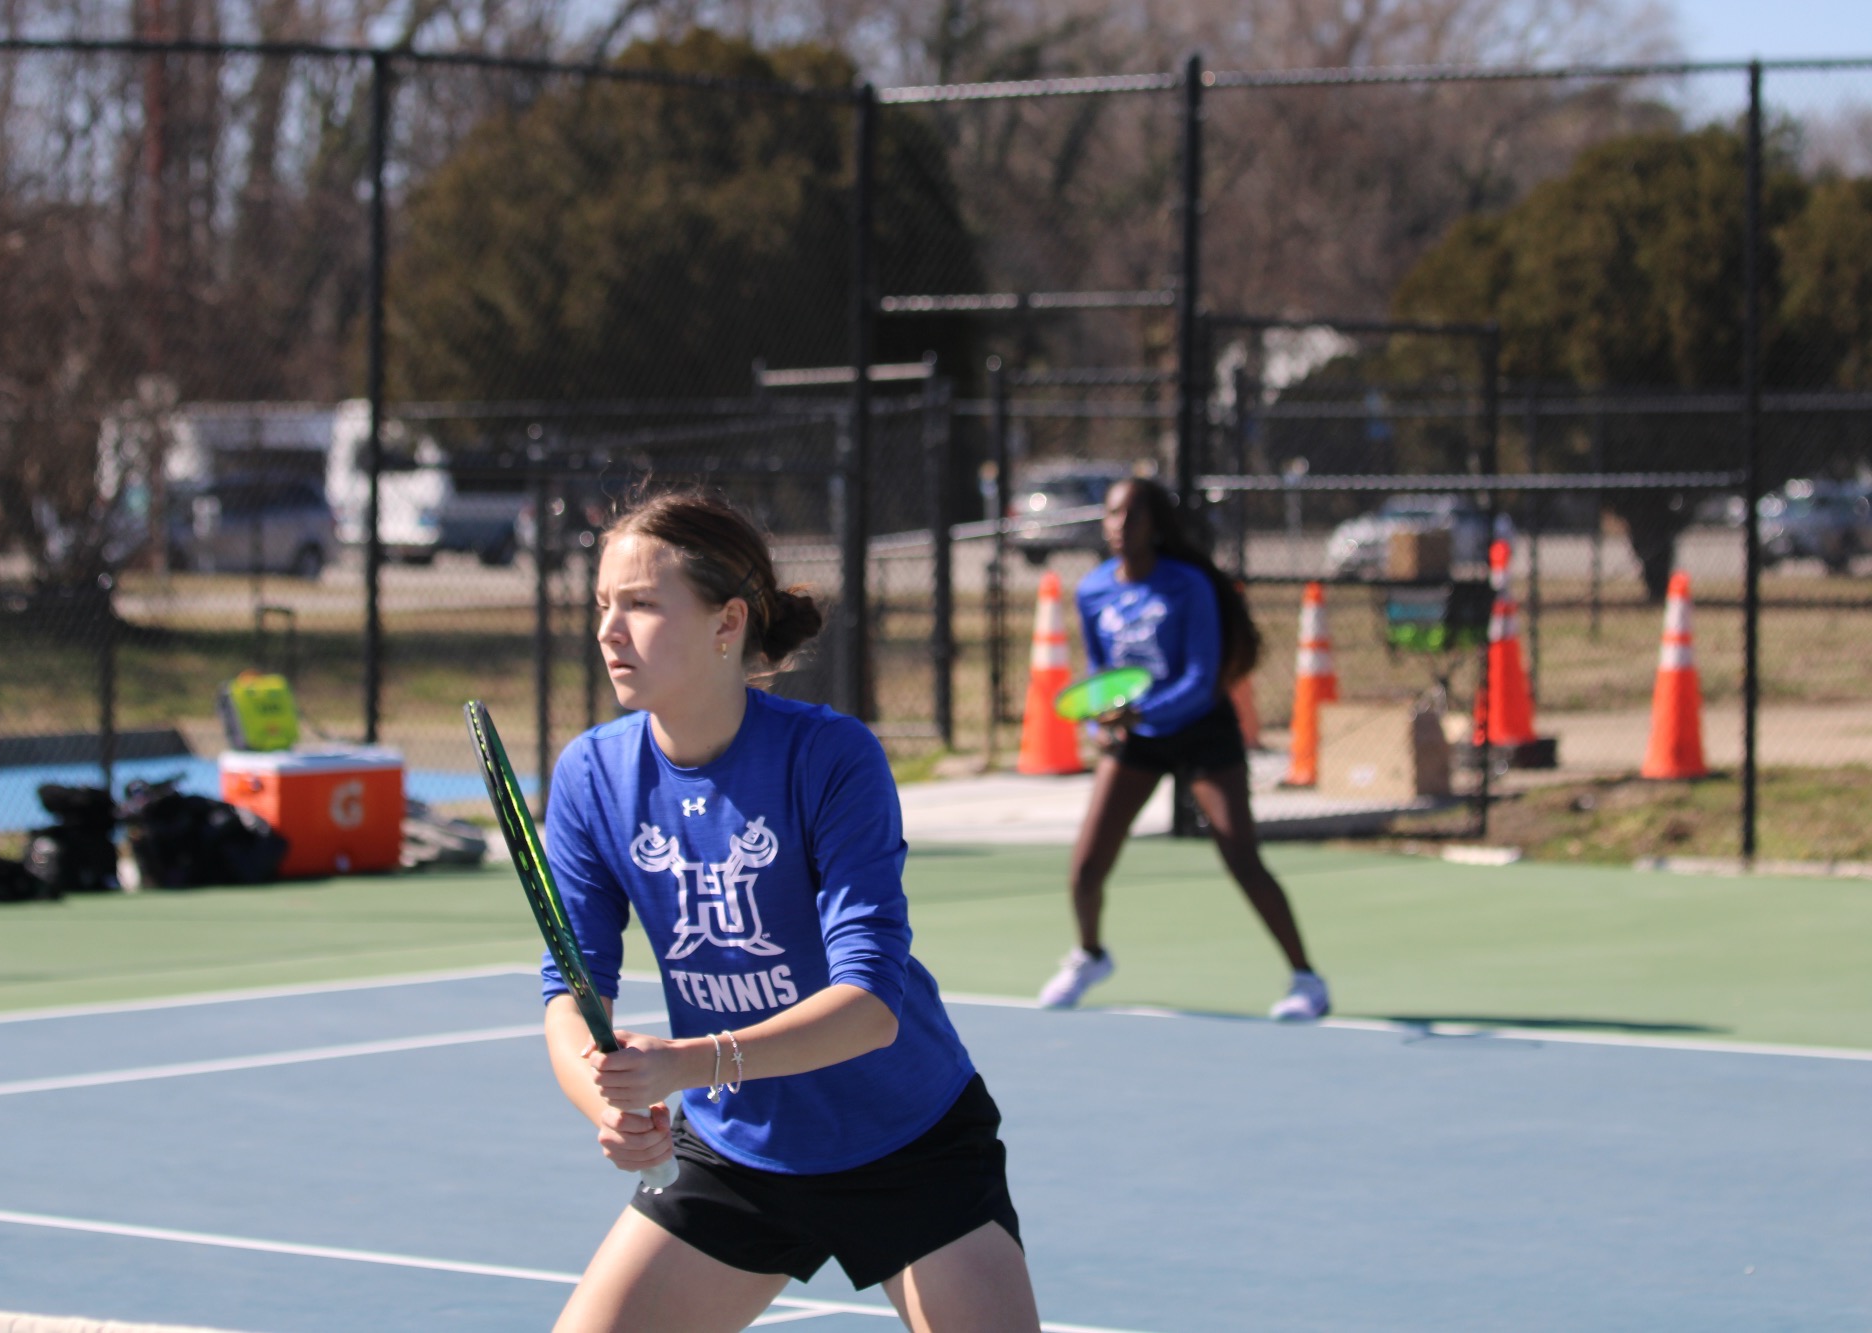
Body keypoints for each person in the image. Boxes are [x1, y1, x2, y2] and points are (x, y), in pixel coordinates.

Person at [538, 489, 1040, 1333]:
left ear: (726, 622)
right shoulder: (591, 776)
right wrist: (614, 1109)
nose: (609, 631)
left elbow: (872, 1007)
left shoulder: (830, 757)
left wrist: (689, 1064)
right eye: (602, 605)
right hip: (735, 1152)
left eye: (642, 604)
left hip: (906, 1141)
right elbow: (569, 988)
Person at [1037, 476, 1329, 1021]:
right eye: (1111, 515)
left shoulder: (1189, 586)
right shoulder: (1093, 589)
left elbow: (1201, 678)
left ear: (1155, 526)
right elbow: (1103, 673)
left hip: (1201, 730)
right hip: (1137, 738)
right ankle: (1091, 956)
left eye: (1131, 517)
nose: (1119, 527)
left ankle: (1307, 978)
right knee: (1085, 868)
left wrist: (1141, 710)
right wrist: (1105, 718)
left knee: (1241, 856)